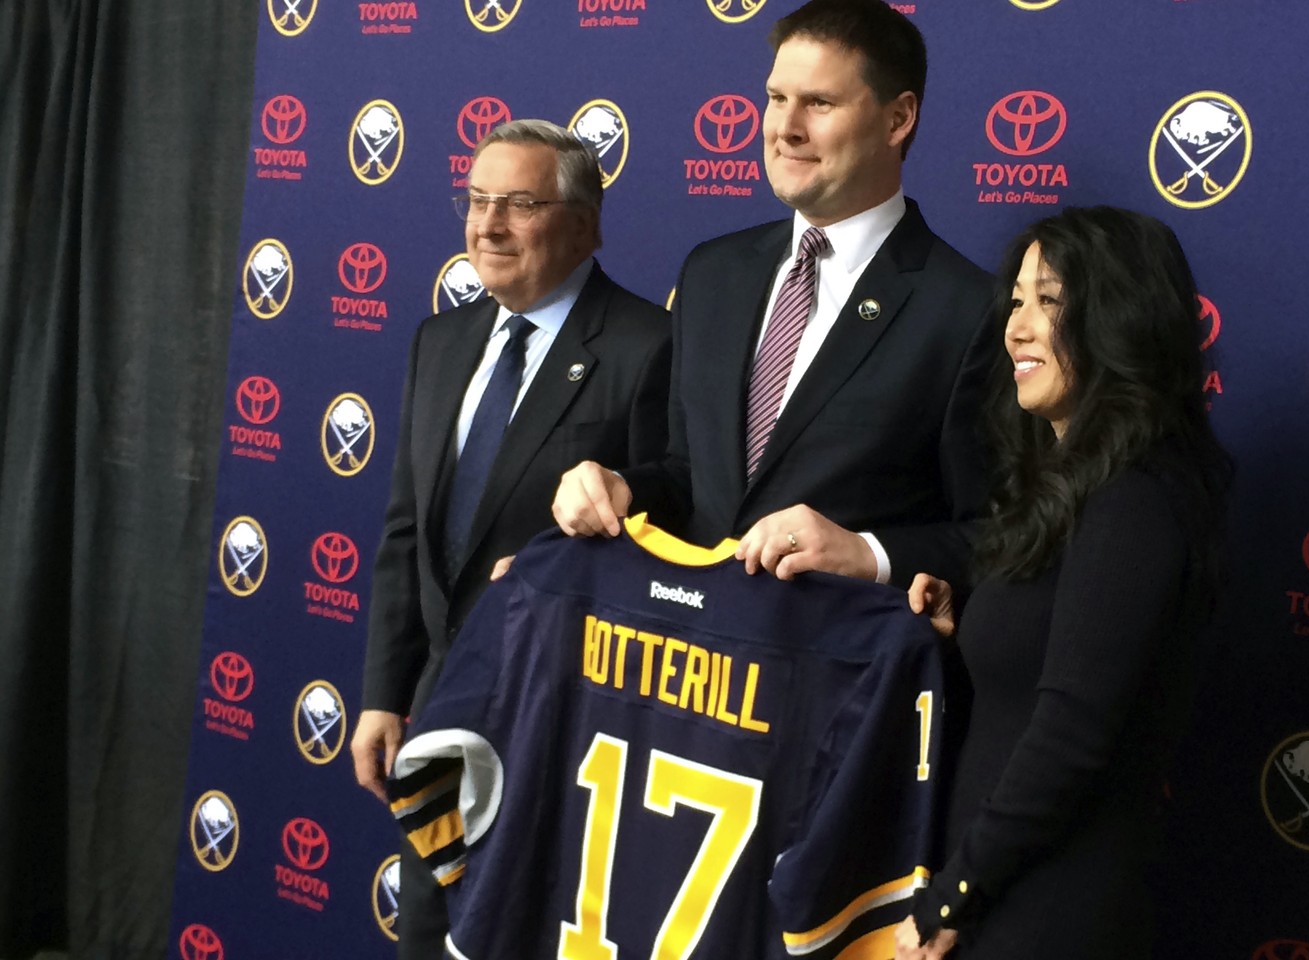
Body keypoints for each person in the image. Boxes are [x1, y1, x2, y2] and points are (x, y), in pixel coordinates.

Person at [349, 119, 670, 960]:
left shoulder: (647, 347)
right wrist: (387, 692)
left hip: (568, 717)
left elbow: (674, 529)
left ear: (583, 223)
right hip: (444, 713)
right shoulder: (441, 339)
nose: (487, 224)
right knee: (429, 928)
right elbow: (405, 532)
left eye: (519, 203)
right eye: (477, 200)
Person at [551, 0, 994, 591]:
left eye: (819, 103)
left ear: (897, 120)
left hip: (842, 666)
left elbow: (997, 535)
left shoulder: (967, 309)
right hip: (697, 664)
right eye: (777, 97)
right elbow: (689, 478)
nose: (785, 127)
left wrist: (866, 552)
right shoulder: (713, 274)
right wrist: (622, 488)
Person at [896, 207, 1232, 959]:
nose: (1016, 327)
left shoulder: (1137, 496)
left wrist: (957, 892)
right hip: (1003, 896)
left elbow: (1074, 735)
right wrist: (962, 631)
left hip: (1049, 913)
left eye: (1049, 302)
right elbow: (1040, 676)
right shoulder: (1072, 486)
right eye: (1015, 301)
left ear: (1118, 319)